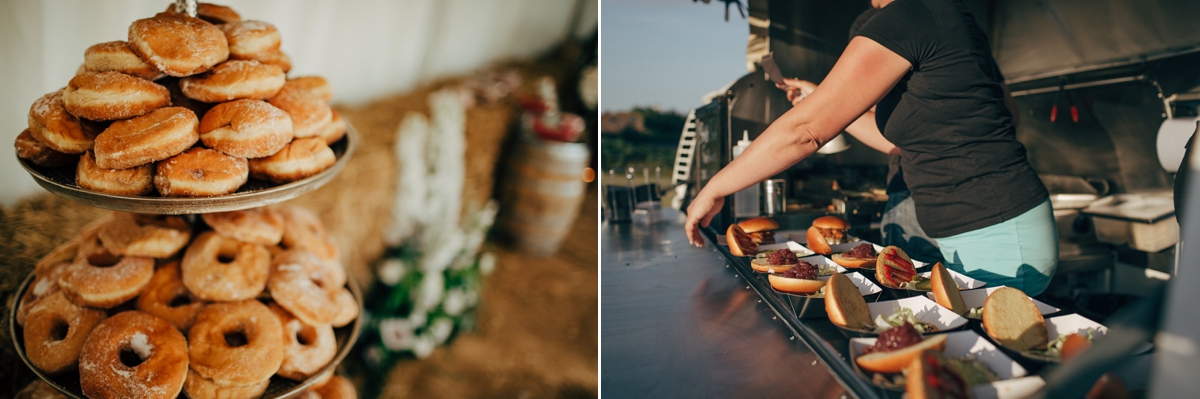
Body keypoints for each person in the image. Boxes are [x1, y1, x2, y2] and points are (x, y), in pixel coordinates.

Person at [685, 0, 1058, 295]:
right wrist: (822, 99)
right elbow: (899, 143)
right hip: (982, 228)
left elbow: (805, 132)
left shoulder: (910, 15)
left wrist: (716, 187)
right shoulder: (940, 12)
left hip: (998, 233)